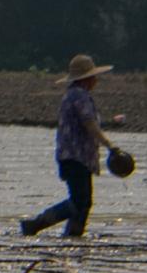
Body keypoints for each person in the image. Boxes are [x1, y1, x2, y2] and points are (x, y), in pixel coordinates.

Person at [22, 54, 125, 239]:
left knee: (82, 201)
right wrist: (110, 146)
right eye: (94, 76)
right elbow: (90, 124)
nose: (96, 80)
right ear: (88, 78)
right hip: (77, 157)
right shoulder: (80, 96)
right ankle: (38, 224)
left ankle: (72, 235)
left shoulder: (71, 95)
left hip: (70, 156)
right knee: (80, 201)